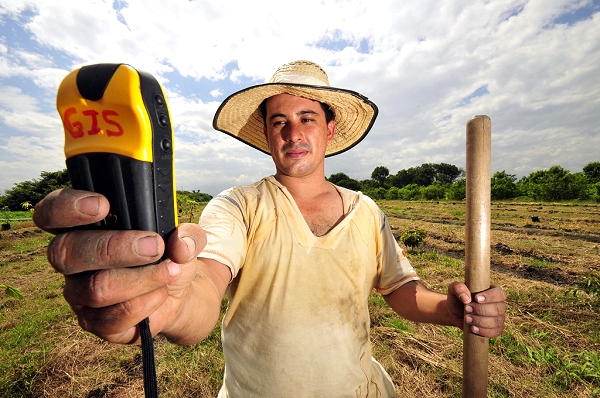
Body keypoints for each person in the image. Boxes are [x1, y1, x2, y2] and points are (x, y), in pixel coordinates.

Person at [34, 60, 506, 397]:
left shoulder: (366, 211)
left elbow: (403, 293)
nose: (292, 132)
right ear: (267, 134)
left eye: (306, 118)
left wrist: (454, 310)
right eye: (278, 121)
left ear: (330, 129)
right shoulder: (239, 206)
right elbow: (203, 288)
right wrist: (164, 302)